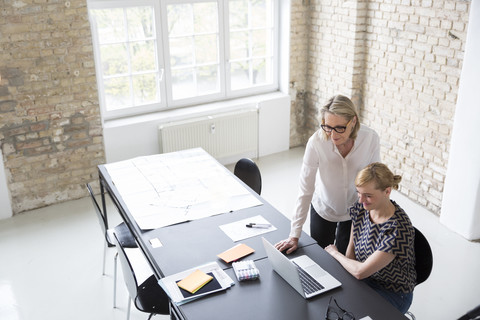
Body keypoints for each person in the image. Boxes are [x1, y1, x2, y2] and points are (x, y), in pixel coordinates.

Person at [275, 94, 380, 255]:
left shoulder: (370, 138)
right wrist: (294, 235)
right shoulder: (316, 143)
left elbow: (375, 178)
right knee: (321, 258)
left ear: (353, 121)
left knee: (345, 262)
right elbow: (305, 189)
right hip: (323, 208)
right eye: (328, 127)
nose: (333, 135)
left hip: (355, 210)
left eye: (340, 128)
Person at [325, 162, 416, 314]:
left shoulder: (398, 229)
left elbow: (360, 272)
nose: (361, 200)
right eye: (359, 193)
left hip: (391, 292)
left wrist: (334, 253)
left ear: (387, 191)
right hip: (364, 280)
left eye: (368, 196)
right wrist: (350, 280)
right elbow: (351, 248)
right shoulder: (362, 208)